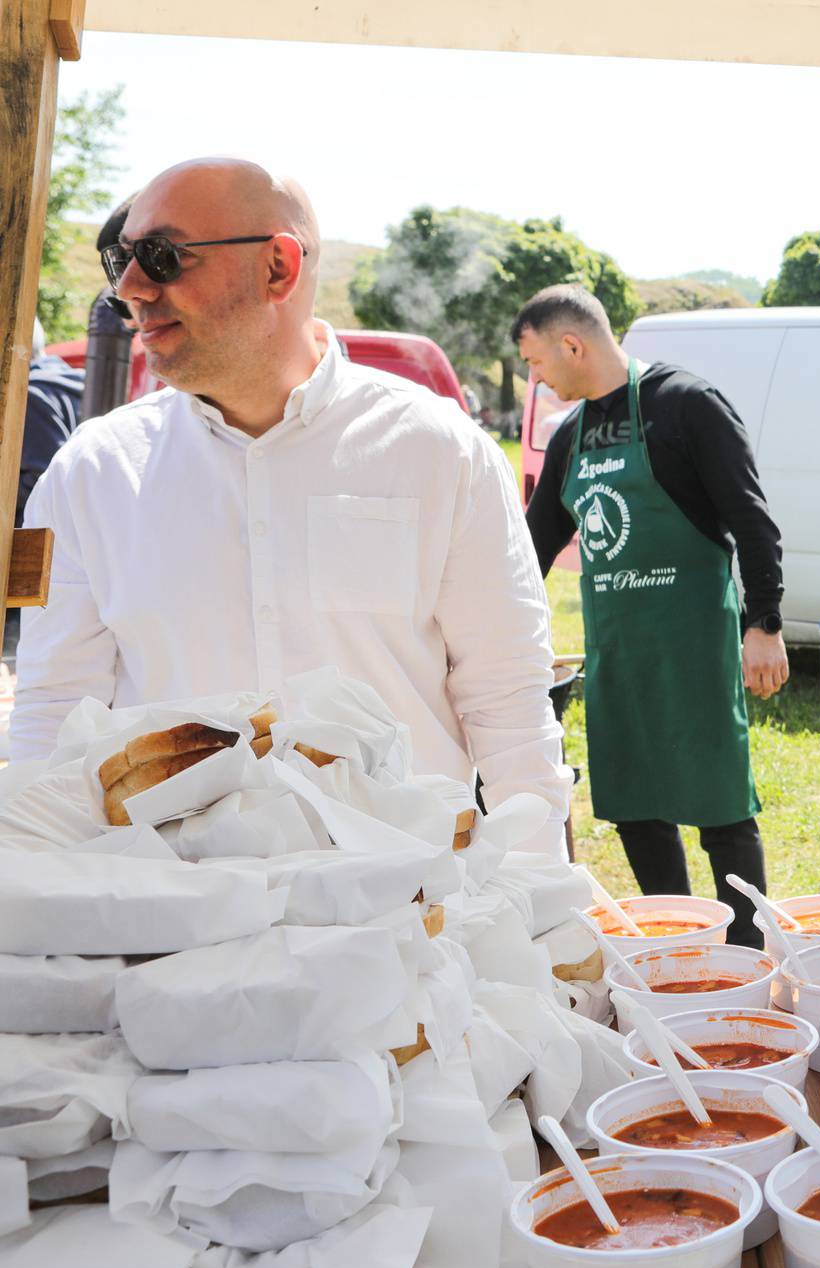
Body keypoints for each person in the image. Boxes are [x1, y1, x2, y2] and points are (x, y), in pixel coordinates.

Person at [13, 158, 572, 852]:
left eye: (160, 257)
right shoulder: (90, 474)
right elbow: (53, 712)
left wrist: (545, 908)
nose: (129, 288)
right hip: (172, 927)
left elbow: (508, 705)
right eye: (118, 259)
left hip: (410, 924)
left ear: (278, 266)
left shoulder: (442, 453)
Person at [517, 285, 786, 947]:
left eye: (536, 361)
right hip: (618, 653)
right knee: (635, 807)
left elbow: (753, 523)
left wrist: (765, 623)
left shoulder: (686, 406)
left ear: (572, 344)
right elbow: (530, 548)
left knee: (719, 804)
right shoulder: (569, 437)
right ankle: (682, 940)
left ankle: (750, 956)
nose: (536, 378)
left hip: (694, 647)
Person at [10, 320, 86, 662]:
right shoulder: (76, 381)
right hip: (76, 558)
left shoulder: (32, 393)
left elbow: (43, 479)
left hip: (44, 562)